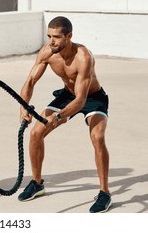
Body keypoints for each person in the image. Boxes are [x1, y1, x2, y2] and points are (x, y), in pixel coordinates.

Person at [17, 16, 111, 213]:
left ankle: (104, 193)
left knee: (97, 137)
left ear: (69, 36)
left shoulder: (84, 57)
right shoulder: (47, 52)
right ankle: (37, 183)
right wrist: (23, 107)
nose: (51, 41)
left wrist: (57, 118)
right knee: (35, 134)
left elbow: (81, 100)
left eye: (57, 37)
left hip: (91, 97)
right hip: (67, 95)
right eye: (49, 36)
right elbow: (30, 82)